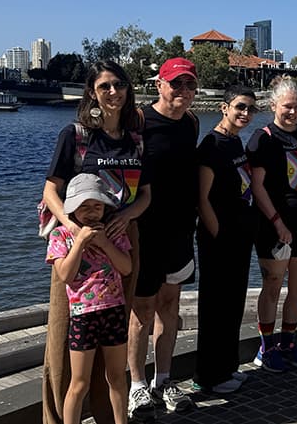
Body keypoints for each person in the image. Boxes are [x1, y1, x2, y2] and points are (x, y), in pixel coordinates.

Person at [42, 60, 150, 424]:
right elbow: (51, 190)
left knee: (114, 343)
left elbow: (145, 195)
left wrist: (126, 216)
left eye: (119, 85)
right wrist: (71, 228)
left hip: (120, 242)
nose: (113, 92)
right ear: (92, 92)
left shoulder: (135, 139)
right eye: (104, 86)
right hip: (77, 246)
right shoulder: (75, 135)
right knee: (62, 343)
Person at [127, 57, 200, 418]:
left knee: (170, 306)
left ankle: (164, 379)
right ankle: (137, 386)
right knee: (141, 310)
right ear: (159, 85)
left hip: (181, 230)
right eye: (176, 84)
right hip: (144, 231)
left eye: (190, 85)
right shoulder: (138, 122)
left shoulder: (191, 123)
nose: (183, 92)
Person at [246, 76, 297, 372]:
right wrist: (277, 222)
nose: (292, 112)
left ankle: (289, 343)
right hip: (275, 227)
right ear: (273, 106)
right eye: (286, 106)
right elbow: (257, 186)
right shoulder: (263, 137)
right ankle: (266, 348)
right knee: (272, 285)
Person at [47, 174, 132, 424]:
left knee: (117, 376)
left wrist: (105, 243)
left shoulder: (114, 233)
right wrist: (80, 243)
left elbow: (126, 268)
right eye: (84, 206)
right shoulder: (61, 236)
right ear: (72, 208)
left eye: (97, 206)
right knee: (79, 382)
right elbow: (65, 274)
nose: (92, 212)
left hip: (113, 309)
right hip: (83, 315)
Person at [193, 85, 258, 393]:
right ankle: (209, 375)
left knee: (233, 303)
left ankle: (228, 367)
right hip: (219, 239)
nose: (245, 113)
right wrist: (217, 234)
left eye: (250, 109)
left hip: (240, 234)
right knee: (215, 306)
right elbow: (202, 199)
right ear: (224, 107)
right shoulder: (212, 146)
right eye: (240, 107)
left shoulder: (234, 142)